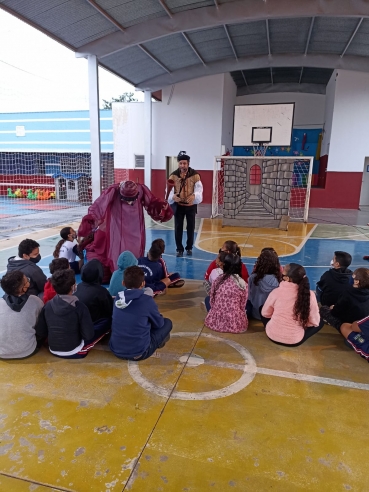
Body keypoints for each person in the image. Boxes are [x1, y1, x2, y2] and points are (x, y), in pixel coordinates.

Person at [78, 180, 173, 283]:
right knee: (117, 253)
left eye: (132, 200)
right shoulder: (113, 191)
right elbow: (98, 207)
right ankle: (121, 277)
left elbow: (152, 203)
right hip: (117, 228)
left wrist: (161, 207)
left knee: (135, 253)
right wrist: (89, 222)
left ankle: (134, 277)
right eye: (126, 200)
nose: (129, 203)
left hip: (136, 228)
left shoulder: (141, 189)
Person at [35, 269, 109, 359]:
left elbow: (41, 331)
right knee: (106, 323)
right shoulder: (80, 307)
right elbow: (88, 335)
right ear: (73, 287)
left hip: (53, 349)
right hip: (74, 351)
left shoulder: (47, 305)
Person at [109, 266, 173, 361]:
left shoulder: (118, 298)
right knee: (167, 323)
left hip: (115, 350)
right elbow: (159, 324)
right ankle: (159, 342)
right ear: (143, 284)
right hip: (139, 353)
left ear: (123, 283)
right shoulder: (146, 300)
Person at [261, 263, 324, 346]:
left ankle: (275, 329)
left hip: (272, 336)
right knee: (321, 322)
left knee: (261, 308)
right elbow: (314, 322)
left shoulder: (276, 292)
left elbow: (265, 313)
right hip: (294, 341)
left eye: (283, 273)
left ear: (287, 278)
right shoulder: (310, 295)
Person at [0, 271, 43, 359]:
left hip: (2, 353)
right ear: (23, 288)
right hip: (27, 351)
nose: (28, 281)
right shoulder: (36, 301)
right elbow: (41, 328)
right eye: (27, 280)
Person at [168, 151, 203, 257]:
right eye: (181, 163)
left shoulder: (195, 176)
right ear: (179, 164)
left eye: (185, 163)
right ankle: (179, 249)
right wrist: (173, 197)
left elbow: (199, 189)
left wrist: (194, 196)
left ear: (188, 164)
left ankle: (189, 248)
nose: (183, 165)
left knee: (191, 227)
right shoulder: (173, 176)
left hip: (190, 206)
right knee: (178, 227)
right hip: (178, 207)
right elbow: (169, 190)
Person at [204, 254, 248, 333]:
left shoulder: (218, 280)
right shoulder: (243, 284)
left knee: (207, 299)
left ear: (225, 266)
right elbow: (243, 305)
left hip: (215, 323)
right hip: (235, 325)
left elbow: (212, 301)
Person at [75, 259, 113, 331]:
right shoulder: (101, 292)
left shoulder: (78, 287)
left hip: (77, 325)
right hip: (92, 328)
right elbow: (111, 312)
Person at [247, 250, 282, 319]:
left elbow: (248, 296)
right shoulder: (278, 280)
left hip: (255, 313)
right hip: (270, 315)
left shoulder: (252, 278)